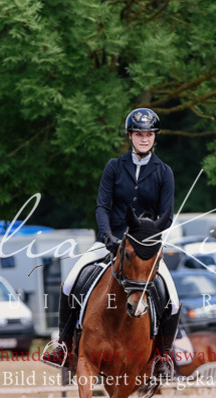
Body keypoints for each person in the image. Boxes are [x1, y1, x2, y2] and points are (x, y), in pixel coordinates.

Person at [42, 107, 180, 376]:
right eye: (139, 134)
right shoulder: (114, 167)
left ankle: (162, 358)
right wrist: (107, 235)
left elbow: (167, 216)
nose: (144, 139)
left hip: (145, 249)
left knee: (172, 300)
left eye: (148, 134)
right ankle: (64, 347)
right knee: (70, 283)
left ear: (154, 137)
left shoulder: (164, 172)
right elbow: (102, 206)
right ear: (130, 136)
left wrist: (146, 239)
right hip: (110, 240)